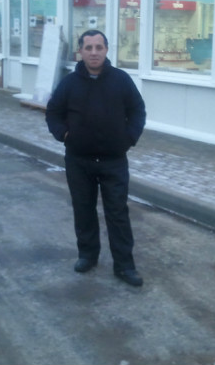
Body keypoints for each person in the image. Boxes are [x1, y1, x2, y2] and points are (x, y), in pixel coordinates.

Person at [46, 29, 146, 287]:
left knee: (118, 213)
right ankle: (88, 256)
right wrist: (64, 134)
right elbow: (53, 112)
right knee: (83, 210)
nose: (94, 52)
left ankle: (124, 266)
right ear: (80, 51)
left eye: (98, 47)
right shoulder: (69, 83)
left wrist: (129, 137)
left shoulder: (121, 80)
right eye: (88, 48)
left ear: (106, 50)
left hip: (114, 161)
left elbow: (137, 110)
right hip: (79, 161)